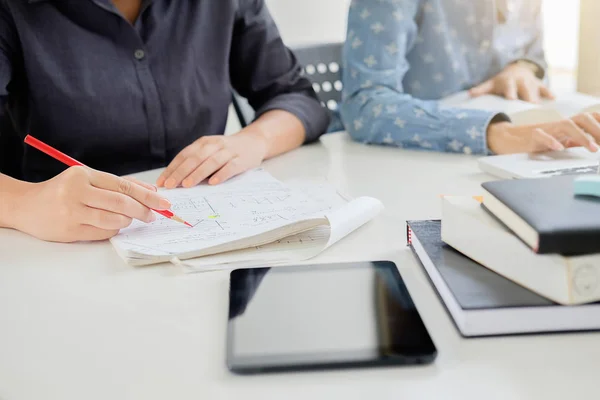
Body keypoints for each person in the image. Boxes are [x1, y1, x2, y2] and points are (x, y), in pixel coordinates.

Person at [0, 0, 329, 243]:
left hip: (208, 247)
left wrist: (254, 141)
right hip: (59, 256)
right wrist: (24, 203)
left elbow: (297, 98)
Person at [341, 0, 600, 156]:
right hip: (398, 167)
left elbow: (535, 58)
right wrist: (496, 133)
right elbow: (364, 104)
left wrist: (522, 67)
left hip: (507, 166)